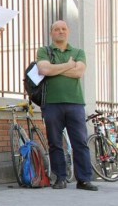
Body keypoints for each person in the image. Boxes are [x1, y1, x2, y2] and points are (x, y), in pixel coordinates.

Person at [37, 20, 98, 191]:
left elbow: (79, 72)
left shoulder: (78, 52)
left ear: (68, 32)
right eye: (56, 29)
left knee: (80, 142)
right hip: (51, 103)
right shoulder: (44, 51)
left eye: (63, 29)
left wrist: (56, 68)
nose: (60, 31)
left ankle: (84, 179)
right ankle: (60, 178)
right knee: (55, 143)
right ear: (51, 33)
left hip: (75, 103)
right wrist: (69, 65)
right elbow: (44, 70)